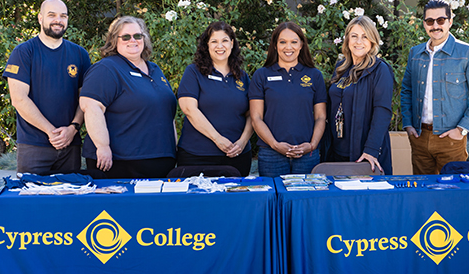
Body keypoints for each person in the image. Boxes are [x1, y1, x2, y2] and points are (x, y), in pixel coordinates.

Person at [400, 0, 469, 175]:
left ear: (450, 21)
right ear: (424, 23)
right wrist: (408, 124)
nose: (435, 26)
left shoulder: (467, 53)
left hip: (451, 141)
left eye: (440, 20)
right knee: (422, 192)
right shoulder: (415, 53)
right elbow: (407, 90)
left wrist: (461, 129)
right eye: (430, 21)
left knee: (452, 195)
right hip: (419, 137)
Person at [79, 16, 177, 179]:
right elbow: (91, 107)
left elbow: (168, 113)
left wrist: (173, 151)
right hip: (121, 163)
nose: (133, 40)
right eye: (125, 37)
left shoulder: (155, 69)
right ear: (113, 40)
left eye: (138, 36)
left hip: (160, 161)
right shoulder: (106, 69)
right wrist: (102, 146)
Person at [3, 0, 91, 175]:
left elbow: (87, 99)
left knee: (69, 200)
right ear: (40, 18)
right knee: (32, 201)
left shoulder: (80, 54)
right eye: (52, 15)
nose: (58, 20)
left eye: (63, 16)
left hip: (70, 145)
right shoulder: (23, 52)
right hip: (34, 146)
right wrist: (51, 132)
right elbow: (19, 99)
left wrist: (73, 129)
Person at [249, 21, 327, 176]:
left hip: (307, 155)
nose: (288, 47)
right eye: (283, 42)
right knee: (275, 199)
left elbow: (321, 116)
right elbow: (256, 117)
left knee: (304, 200)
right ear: (275, 45)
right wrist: (275, 145)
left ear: (301, 45)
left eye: (294, 42)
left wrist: (312, 145)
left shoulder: (314, 75)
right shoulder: (261, 75)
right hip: (271, 155)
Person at [176, 21, 253, 176]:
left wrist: (243, 142)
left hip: (237, 156)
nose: (220, 46)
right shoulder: (193, 72)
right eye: (214, 41)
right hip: (197, 156)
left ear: (232, 44)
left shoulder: (242, 76)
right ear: (207, 45)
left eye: (224, 40)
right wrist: (218, 139)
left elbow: (253, 114)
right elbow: (189, 109)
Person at [327, 15, 394, 174]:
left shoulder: (380, 70)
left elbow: (382, 112)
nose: (359, 41)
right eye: (354, 36)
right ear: (347, 40)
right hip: (337, 149)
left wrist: (371, 150)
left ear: (372, 41)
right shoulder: (341, 68)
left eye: (365, 37)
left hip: (363, 152)